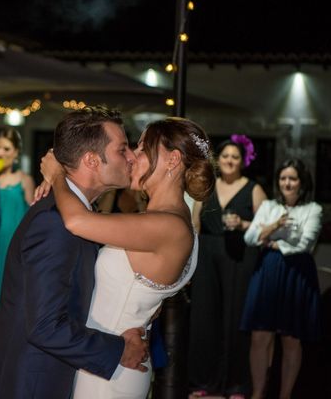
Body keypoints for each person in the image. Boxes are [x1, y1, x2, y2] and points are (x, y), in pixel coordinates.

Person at [0, 106, 149, 399]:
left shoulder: (76, 213)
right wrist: (118, 350)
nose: (132, 156)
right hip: (31, 385)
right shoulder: (55, 222)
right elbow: (45, 326)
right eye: (123, 149)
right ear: (92, 160)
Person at [39, 116, 215, 398]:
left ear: (172, 160)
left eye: (144, 149)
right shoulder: (170, 223)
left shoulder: (169, 226)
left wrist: (57, 174)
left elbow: (77, 221)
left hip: (109, 372)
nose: (132, 156)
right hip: (110, 359)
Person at [188, 134, 268, 399]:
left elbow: (267, 228)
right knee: (204, 319)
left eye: (235, 157)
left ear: (242, 161)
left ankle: (235, 385)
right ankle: (204, 382)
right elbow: (195, 225)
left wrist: (244, 224)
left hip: (239, 259)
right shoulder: (207, 186)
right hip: (207, 257)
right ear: (217, 160)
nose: (230, 161)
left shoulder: (253, 188)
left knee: (235, 320)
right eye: (225, 156)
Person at [240, 158, 322, 399]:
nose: (287, 183)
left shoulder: (313, 209)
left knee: (290, 338)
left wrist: (273, 240)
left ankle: (285, 395)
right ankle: (257, 393)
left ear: (302, 182)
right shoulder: (268, 206)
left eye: (293, 178)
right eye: (283, 178)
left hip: (296, 274)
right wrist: (275, 225)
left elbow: (305, 243)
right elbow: (251, 238)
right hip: (267, 271)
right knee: (260, 335)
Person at [0, 127, 35, 356]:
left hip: (12, 248)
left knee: (7, 299)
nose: (1, 152)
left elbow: (32, 215)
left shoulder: (24, 179)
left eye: (6, 148)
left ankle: (1, 357)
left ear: (16, 152)